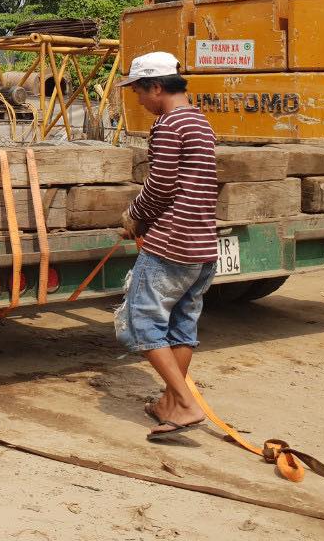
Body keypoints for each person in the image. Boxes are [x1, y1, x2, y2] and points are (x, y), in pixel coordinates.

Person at [113, 51, 218, 442]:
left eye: (139, 92)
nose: (139, 100)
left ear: (156, 87)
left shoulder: (169, 124)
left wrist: (134, 216)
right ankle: (169, 404)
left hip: (171, 244)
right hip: (202, 245)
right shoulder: (200, 121)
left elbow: (160, 185)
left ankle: (186, 403)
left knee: (140, 323)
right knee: (180, 326)